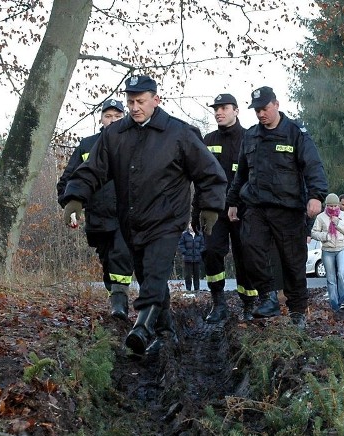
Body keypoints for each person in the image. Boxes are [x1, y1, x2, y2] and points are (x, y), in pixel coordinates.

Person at [60, 75, 227, 357]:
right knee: (148, 274)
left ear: (155, 100)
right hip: (131, 220)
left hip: (167, 219)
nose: (134, 107)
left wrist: (210, 207)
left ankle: (142, 329)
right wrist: (75, 197)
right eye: (130, 102)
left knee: (154, 273)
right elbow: (93, 170)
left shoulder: (179, 133)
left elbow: (209, 173)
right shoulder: (116, 135)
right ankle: (165, 332)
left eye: (140, 101)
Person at [227, 86, 328, 329]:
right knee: (250, 248)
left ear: (276, 104)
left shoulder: (295, 133)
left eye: (264, 108)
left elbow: (313, 166)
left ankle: (297, 311)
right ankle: (268, 297)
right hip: (256, 206)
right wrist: (232, 201)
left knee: (293, 261)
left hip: (288, 208)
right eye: (257, 110)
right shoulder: (250, 136)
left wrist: (316, 196)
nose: (260, 114)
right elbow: (241, 173)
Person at [57, 99, 133, 321]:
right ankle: (115, 301)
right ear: (101, 118)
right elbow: (68, 180)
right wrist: (71, 206)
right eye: (108, 116)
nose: (113, 120)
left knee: (122, 254)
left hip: (126, 215)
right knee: (108, 260)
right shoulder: (87, 145)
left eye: (118, 116)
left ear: (125, 117)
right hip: (97, 216)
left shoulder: (135, 143)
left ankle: (121, 303)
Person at [193, 93, 258, 323]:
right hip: (214, 211)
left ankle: (249, 303)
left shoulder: (250, 138)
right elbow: (199, 178)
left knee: (245, 257)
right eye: (216, 109)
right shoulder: (208, 140)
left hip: (243, 211)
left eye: (224, 108)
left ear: (236, 110)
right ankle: (218, 303)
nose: (218, 112)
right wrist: (195, 210)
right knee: (211, 253)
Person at [311, 193, 344, 312]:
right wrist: (325, 236)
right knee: (330, 278)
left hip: (342, 248)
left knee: (341, 273)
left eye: (336, 205)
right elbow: (314, 233)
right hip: (327, 250)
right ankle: (334, 304)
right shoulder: (320, 217)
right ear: (326, 205)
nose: (334, 208)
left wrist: (338, 223)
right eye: (331, 206)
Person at [178, 224, 205, 292]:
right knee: (188, 276)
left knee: (197, 275)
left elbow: (203, 245)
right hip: (187, 259)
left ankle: (197, 289)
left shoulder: (200, 235)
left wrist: (199, 252)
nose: (192, 227)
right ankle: (188, 289)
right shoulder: (184, 235)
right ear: (188, 226)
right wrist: (185, 252)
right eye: (191, 225)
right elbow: (181, 244)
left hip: (197, 258)